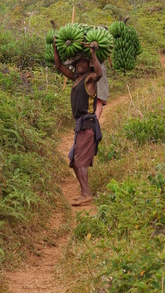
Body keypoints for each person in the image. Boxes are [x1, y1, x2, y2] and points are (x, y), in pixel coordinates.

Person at [53, 39, 103, 207]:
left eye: (84, 62)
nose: (81, 64)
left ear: (88, 65)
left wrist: (93, 54)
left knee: (80, 160)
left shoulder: (90, 79)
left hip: (87, 124)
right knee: (74, 161)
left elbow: (99, 74)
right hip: (79, 125)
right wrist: (55, 46)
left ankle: (87, 194)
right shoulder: (76, 78)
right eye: (79, 62)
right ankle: (84, 192)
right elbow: (59, 66)